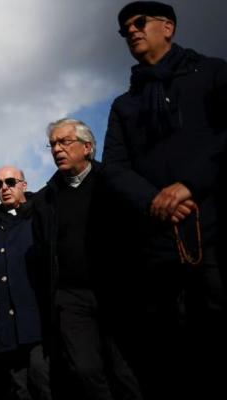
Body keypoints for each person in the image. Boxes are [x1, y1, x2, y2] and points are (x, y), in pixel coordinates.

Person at [103, 2, 227, 399]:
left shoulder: (212, 73)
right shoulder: (124, 105)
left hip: (214, 226)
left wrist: (189, 185)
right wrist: (157, 198)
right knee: (170, 350)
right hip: (157, 241)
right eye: (125, 29)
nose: (132, 31)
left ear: (168, 26)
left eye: (140, 23)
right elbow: (115, 167)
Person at [32, 119, 141, 400]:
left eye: (64, 142)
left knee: (124, 368)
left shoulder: (114, 182)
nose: (57, 149)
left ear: (88, 147)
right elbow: (42, 249)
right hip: (70, 298)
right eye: (53, 143)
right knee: (85, 369)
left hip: (116, 290)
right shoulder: (46, 199)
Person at [0, 166, 50, 400]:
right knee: (21, 390)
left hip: (40, 324)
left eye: (10, 182)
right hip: (7, 330)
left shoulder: (41, 217)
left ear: (23, 185)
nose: (4, 188)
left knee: (44, 382)